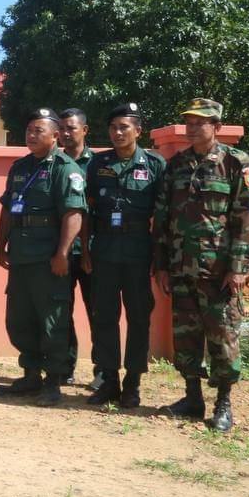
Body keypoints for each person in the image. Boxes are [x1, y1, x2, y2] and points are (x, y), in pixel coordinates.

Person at [153, 98, 249, 433]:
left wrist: (238, 267)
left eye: (200, 122)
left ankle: (223, 403)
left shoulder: (235, 162)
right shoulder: (177, 165)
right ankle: (192, 397)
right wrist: (161, 264)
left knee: (223, 336)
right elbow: (163, 216)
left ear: (217, 126)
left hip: (219, 271)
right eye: (189, 121)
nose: (192, 127)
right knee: (185, 336)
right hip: (181, 266)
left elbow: (247, 219)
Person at [0, 108, 86, 406]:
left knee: (52, 321)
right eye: (29, 130)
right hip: (21, 255)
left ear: (55, 135)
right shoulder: (20, 167)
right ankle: (31, 374)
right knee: (20, 319)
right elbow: (8, 208)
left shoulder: (65, 168)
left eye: (38, 131)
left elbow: (73, 214)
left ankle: (53, 381)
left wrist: (62, 253)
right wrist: (0, 244)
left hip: (48, 259)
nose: (31, 135)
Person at [80, 103, 166, 408]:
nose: (117, 133)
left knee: (138, 317)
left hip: (138, 252)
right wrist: (86, 249)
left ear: (138, 131)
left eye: (124, 127)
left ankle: (133, 382)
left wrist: (159, 257)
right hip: (103, 251)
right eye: (113, 127)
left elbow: (163, 215)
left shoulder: (154, 164)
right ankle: (109, 380)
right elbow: (87, 210)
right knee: (104, 316)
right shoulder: (98, 163)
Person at [58, 108, 97, 387]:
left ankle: (102, 370)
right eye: (62, 128)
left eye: (71, 128)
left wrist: (86, 251)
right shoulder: (55, 163)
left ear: (84, 130)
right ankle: (65, 367)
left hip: (92, 252)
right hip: (62, 252)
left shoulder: (98, 164)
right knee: (62, 312)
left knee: (98, 312)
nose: (65, 133)